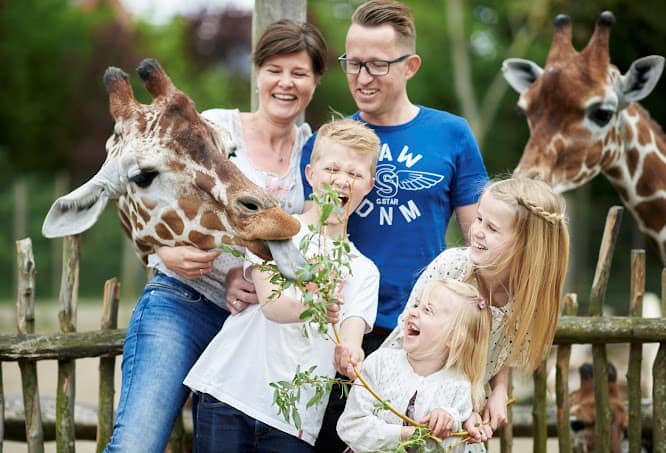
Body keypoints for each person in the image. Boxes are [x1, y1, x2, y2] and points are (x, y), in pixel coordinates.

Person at [103, 20, 328, 452]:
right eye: (274, 69)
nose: (286, 83)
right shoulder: (213, 127)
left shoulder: (316, 151)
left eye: (300, 73)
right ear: (256, 72)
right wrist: (161, 254)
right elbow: (145, 193)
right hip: (187, 302)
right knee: (137, 442)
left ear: (316, 81)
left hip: (258, 327)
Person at [300, 2, 488, 449]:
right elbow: (310, 233)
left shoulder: (451, 134)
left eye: (377, 65)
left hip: (422, 335)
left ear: (410, 66)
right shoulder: (332, 143)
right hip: (344, 334)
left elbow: (482, 250)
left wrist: (490, 377)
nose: (361, 77)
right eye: (352, 63)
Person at [184, 119, 381, 452]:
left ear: (369, 185)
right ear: (310, 174)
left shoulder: (363, 271)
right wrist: (316, 307)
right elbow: (273, 305)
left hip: (293, 420)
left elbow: (350, 335)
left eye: (355, 174)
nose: (342, 180)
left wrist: (349, 356)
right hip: (230, 391)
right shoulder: (275, 232)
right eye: (332, 168)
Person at [382, 177, 570, 447]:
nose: (477, 230)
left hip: (456, 421)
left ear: (526, 246)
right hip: (402, 406)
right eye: (479, 219)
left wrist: (499, 390)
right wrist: (455, 408)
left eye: (492, 227)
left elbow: (501, 347)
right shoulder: (452, 269)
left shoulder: (526, 303)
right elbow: (407, 338)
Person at [337, 279, 492, 453]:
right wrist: (405, 433)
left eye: (427, 310)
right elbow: (351, 426)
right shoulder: (379, 363)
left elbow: (457, 438)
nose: (412, 312)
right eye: (417, 304)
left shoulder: (458, 385)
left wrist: (448, 419)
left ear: (453, 338)